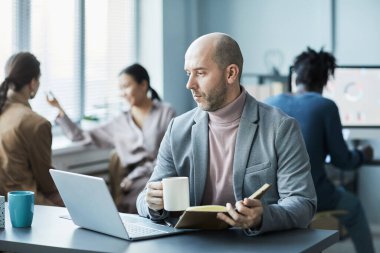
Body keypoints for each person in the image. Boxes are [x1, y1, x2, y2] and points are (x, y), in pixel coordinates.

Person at [137, 33, 316, 234]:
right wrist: (153, 204)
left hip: (254, 244)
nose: (189, 84)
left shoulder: (280, 128)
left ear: (231, 73)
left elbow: (302, 203)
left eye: (200, 73)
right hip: (193, 243)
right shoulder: (177, 129)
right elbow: (144, 198)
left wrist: (262, 216)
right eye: (188, 73)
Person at [266, 48, 375, 252]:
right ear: (325, 80)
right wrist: (363, 155)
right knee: (354, 207)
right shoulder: (326, 106)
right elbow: (342, 161)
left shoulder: (269, 104)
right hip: (311, 194)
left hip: (272, 198)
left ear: (296, 76)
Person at [47, 63, 175, 213]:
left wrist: (135, 176)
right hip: (132, 186)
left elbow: (172, 155)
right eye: (120, 89)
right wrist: (60, 110)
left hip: (160, 178)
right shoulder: (119, 122)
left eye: (126, 86)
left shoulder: (166, 113)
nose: (123, 93)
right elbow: (81, 136)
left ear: (143, 85)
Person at [0, 52, 63, 206]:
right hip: (27, 206)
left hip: (4, 205)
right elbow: (47, 183)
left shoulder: (3, 111)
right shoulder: (36, 124)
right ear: (33, 83)